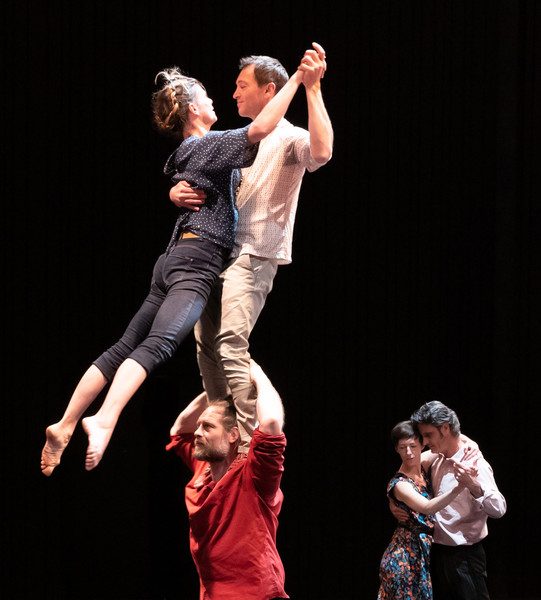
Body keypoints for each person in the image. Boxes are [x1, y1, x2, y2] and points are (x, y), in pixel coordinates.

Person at [40, 58, 307, 475]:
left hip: (174, 258)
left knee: (123, 346)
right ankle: (104, 418)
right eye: (208, 96)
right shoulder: (207, 143)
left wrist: (173, 194)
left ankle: (65, 423)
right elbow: (260, 128)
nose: (219, 99)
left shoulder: (193, 150)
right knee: (158, 345)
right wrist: (298, 80)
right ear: (192, 109)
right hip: (196, 262)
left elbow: (196, 177)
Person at [169, 42, 333, 452]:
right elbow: (196, 176)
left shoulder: (289, 136)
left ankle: (244, 441)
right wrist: (175, 192)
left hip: (254, 253)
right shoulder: (235, 139)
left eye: (242, 86)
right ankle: (222, 433)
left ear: (269, 90)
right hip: (217, 252)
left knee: (230, 343)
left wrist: (312, 88)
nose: (234, 93)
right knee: (206, 348)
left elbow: (322, 152)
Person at [166, 360, 288, 600]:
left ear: (233, 435)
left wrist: (256, 374)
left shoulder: (254, 475)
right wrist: (219, 387)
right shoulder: (203, 470)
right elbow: (179, 431)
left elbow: (271, 423)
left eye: (207, 426)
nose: (198, 432)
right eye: (199, 426)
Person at [409, 401, 507, 599]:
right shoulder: (438, 457)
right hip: (439, 553)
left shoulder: (474, 463)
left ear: (445, 428)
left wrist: (474, 486)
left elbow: (499, 509)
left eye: (429, 435)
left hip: (464, 558)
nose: (425, 441)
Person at [378, 420, 467, 599]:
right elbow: (427, 507)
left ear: (422, 444)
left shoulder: (423, 463)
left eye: (413, 446)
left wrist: (474, 447)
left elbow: (458, 440)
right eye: (402, 448)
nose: (409, 453)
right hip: (403, 557)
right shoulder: (401, 484)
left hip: (423, 554)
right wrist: (458, 488)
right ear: (396, 449)